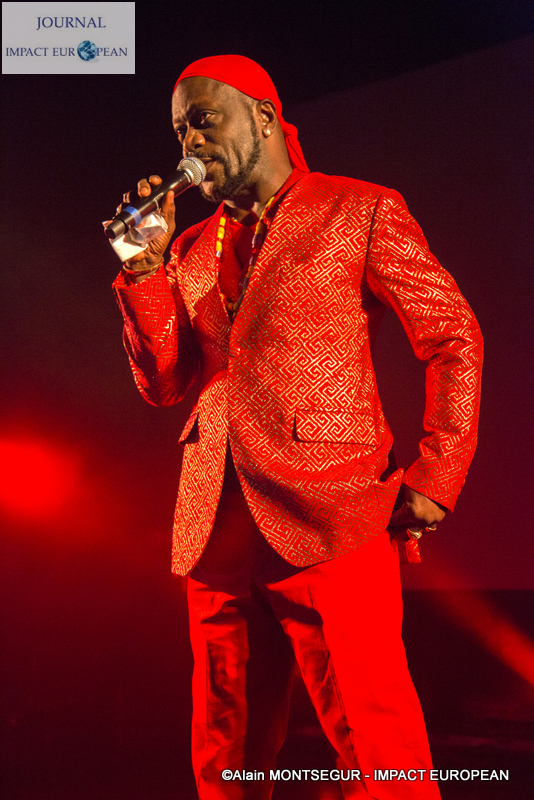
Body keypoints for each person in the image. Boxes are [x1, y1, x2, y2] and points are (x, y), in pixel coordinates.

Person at [110, 55, 483, 800]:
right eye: (180, 131)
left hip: (333, 512)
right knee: (227, 752)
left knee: (378, 747)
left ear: (263, 118)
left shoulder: (358, 209)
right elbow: (165, 386)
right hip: (217, 524)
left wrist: (437, 475)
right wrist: (143, 271)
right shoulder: (188, 248)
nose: (189, 142)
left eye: (203, 121)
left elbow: (454, 338)